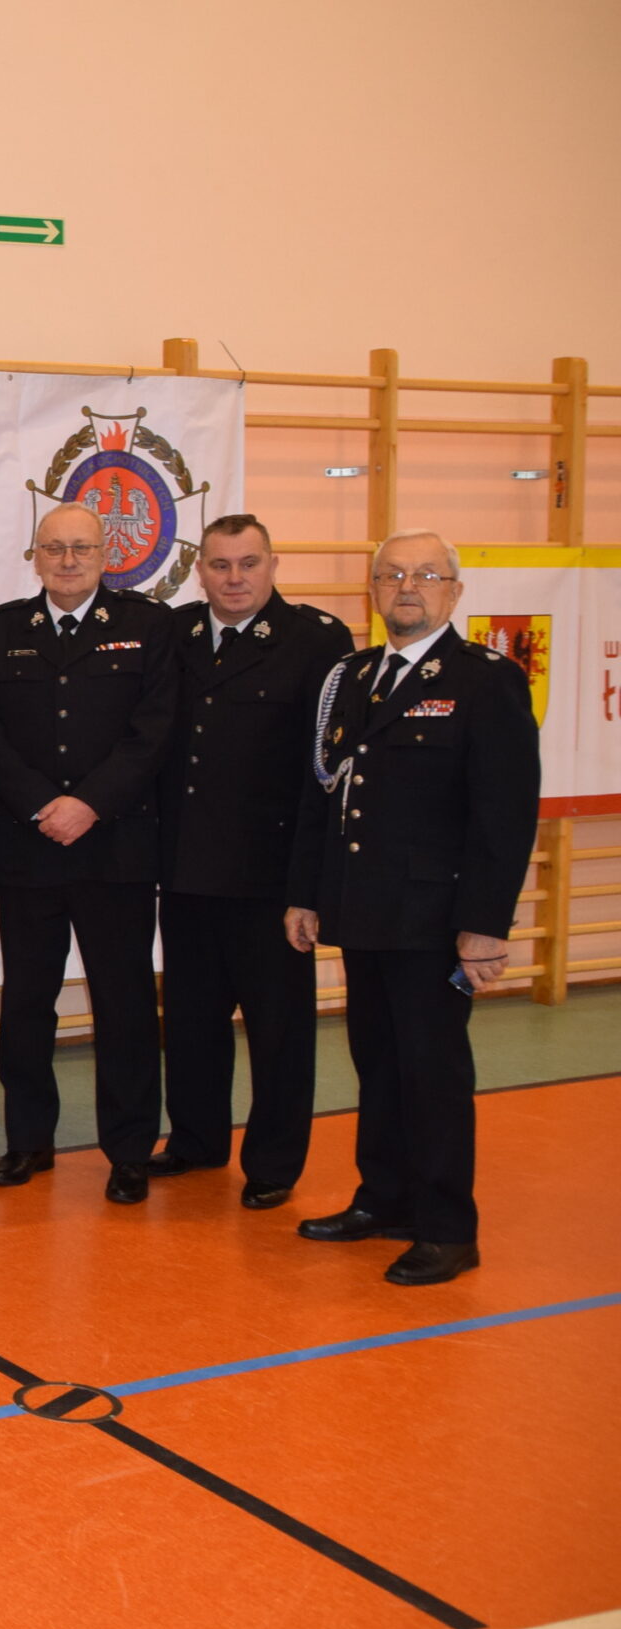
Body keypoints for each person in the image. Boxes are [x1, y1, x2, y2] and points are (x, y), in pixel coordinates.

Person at [288, 531, 537, 1285]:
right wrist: (306, 893)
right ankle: (385, 1199)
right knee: (378, 1063)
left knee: (432, 1073)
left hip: (434, 918)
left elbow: (504, 815)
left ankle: (448, 1229)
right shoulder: (354, 676)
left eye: (426, 575)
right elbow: (324, 794)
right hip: (363, 909)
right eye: (392, 574)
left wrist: (485, 926)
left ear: (453, 592)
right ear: (373, 589)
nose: (407, 586)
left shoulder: (485, 679)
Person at [0, 502, 180, 1204]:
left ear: (106, 554)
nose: (67, 560)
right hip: (29, 847)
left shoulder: (149, 626)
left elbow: (154, 730)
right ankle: (28, 1140)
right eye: (53, 547)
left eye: (81, 547)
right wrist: (39, 804)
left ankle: (129, 1150)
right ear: (35, 556)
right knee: (28, 1003)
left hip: (116, 846)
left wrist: (89, 803)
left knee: (124, 1005)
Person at [153, 516, 354, 1209]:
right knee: (191, 1021)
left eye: (248, 563)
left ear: (273, 564)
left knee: (279, 1031)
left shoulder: (316, 640)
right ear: (199, 570)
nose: (234, 578)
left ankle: (273, 1162)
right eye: (220, 565)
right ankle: (196, 1140)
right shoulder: (175, 633)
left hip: (270, 875)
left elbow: (325, 772)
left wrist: (310, 884)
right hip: (185, 867)